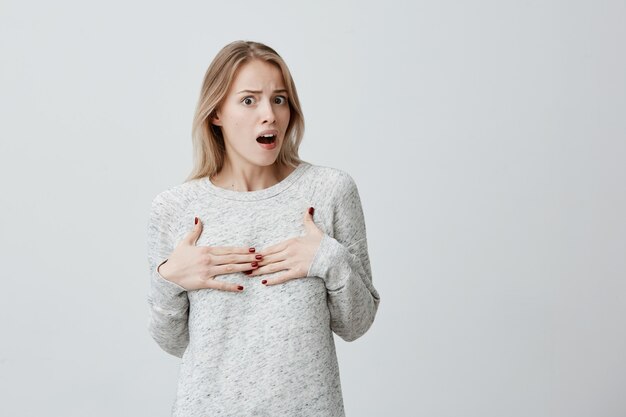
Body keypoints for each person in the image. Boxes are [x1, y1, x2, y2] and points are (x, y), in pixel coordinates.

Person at [146, 40, 380, 417]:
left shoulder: (330, 191)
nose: (269, 115)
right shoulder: (174, 208)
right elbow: (173, 341)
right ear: (216, 112)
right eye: (249, 100)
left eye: (279, 99)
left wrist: (327, 259)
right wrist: (168, 278)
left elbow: (356, 324)